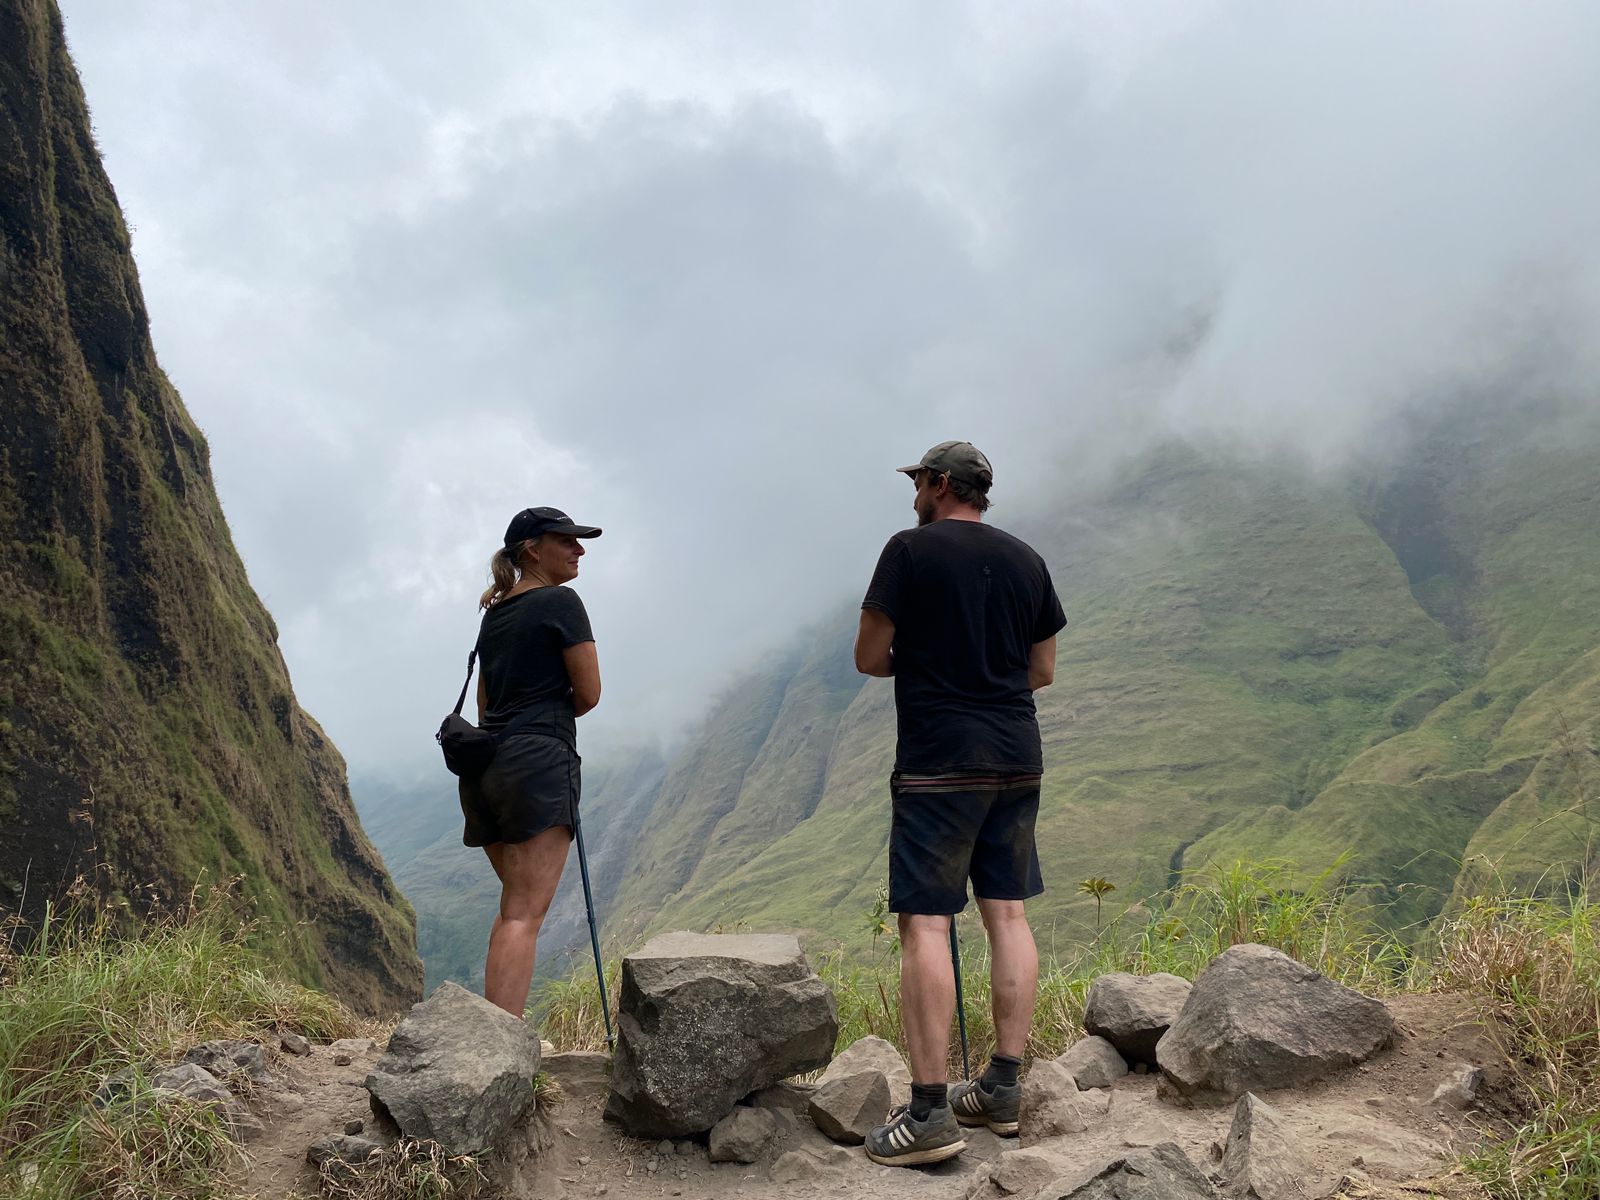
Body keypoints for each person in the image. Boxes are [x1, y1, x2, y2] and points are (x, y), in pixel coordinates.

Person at [854, 441, 1066, 1167]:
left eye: (918, 480)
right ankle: (1003, 1089)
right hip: (1017, 753)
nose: (914, 491)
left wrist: (929, 662)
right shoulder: (1026, 559)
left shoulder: (908, 552)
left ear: (941, 484)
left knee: (926, 922)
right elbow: (1042, 669)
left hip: (940, 760)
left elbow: (868, 654)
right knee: (1007, 912)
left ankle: (928, 1112)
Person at [463, 506, 603, 1017]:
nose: (579, 549)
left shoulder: (494, 614)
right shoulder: (561, 603)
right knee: (525, 915)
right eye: (565, 540)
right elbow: (588, 693)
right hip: (538, 766)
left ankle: (491, 1035)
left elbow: (484, 708)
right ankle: (500, 1048)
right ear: (532, 550)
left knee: (511, 909)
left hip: (485, 770)